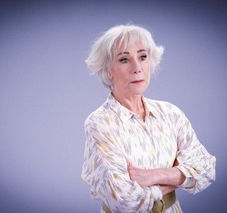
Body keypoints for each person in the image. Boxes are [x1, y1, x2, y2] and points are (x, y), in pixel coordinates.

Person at [81, 24, 216, 213]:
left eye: (143, 57)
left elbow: (206, 170)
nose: (137, 68)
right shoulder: (100, 123)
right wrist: (178, 175)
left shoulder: (170, 113)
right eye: (124, 59)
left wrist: (152, 176)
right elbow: (123, 200)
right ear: (108, 70)